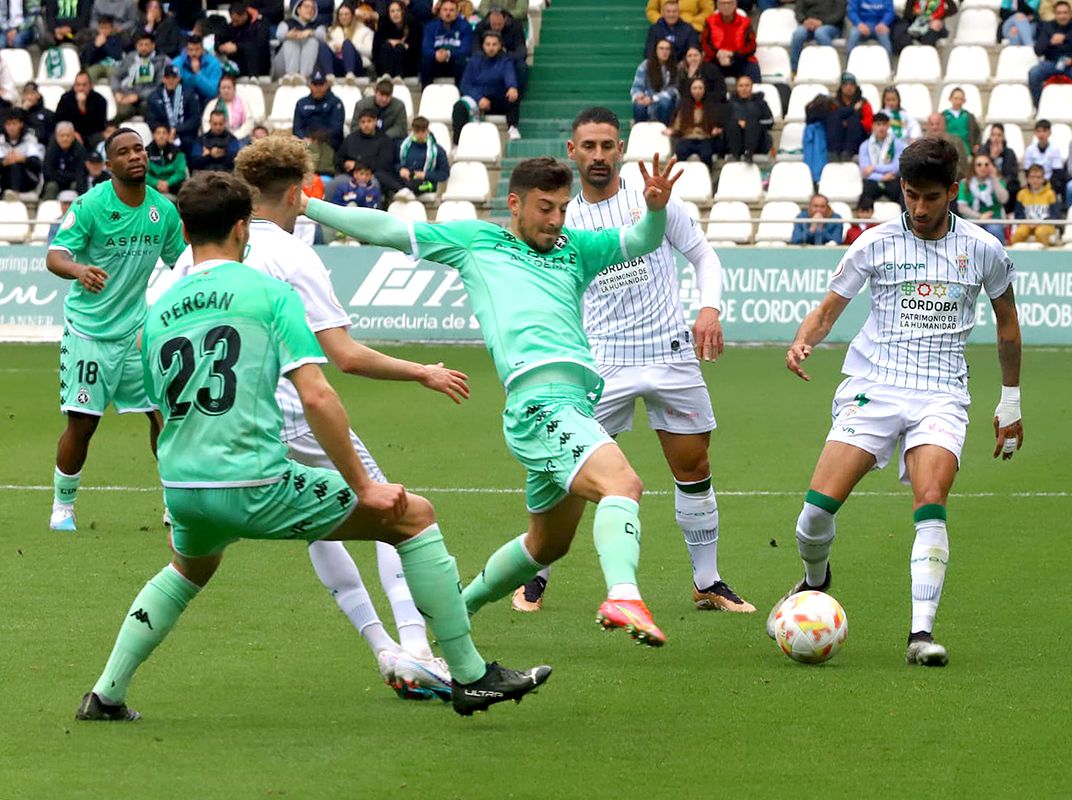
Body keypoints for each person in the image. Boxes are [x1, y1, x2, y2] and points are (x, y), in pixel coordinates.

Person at [74, 170, 551, 722]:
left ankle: (106, 695)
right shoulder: (270, 293)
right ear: (240, 228)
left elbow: (158, 396)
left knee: (186, 571)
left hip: (182, 484)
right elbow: (319, 397)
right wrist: (365, 487)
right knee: (412, 516)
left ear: (183, 229)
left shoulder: (158, 308)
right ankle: (470, 675)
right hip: (255, 481)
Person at [302, 154, 684, 648]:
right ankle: (624, 595)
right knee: (624, 484)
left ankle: (458, 610)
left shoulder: (576, 247)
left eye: (563, 209)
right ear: (514, 203)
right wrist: (310, 208)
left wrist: (655, 210)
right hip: (539, 402)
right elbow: (389, 230)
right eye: (545, 208)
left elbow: (641, 241)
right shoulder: (478, 242)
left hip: (573, 405)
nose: (555, 220)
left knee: (548, 543)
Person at [772, 135, 1024, 668]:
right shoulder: (874, 243)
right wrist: (803, 341)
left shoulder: (983, 248)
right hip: (875, 386)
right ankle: (817, 581)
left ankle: (920, 634)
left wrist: (1011, 400)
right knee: (813, 516)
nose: (920, 208)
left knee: (931, 498)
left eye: (931, 197)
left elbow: (1007, 325)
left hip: (941, 392)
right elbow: (828, 309)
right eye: (910, 195)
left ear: (953, 191)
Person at [512, 107, 753, 614]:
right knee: (570, 468)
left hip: (670, 354)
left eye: (607, 145)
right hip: (601, 363)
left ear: (620, 148)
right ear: (573, 152)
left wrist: (708, 309)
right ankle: (537, 575)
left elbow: (704, 256)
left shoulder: (659, 202)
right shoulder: (564, 220)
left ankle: (706, 581)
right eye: (589, 147)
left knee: (694, 466)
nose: (599, 156)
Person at [45, 128, 187, 533]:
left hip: (137, 334)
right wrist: (78, 269)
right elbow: (55, 256)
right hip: (89, 334)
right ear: (109, 165)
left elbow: (184, 263)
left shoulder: (163, 210)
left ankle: (174, 503)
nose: (135, 156)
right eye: (123, 152)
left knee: (162, 414)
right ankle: (63, 507)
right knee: (83, 424)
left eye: (139, 149)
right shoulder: (91, 206)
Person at [455, 30, 522, 141]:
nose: (491, 48)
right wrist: (479, 98)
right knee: (460, 106)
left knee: (512, 96)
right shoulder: (474, 61)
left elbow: (510, 76)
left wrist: (512, 87)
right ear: (483, 45)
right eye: (488, 44)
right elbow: (464, 85)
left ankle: (513, 127)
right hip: (478, 100)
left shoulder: (506, 61)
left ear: (500, 45)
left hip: (497, 101)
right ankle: (457, 142)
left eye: (494, 44)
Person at [1029, 1, 1072, 104]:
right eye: (1059, 13)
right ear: (1055, 14)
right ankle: (1038, 106)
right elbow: (1038, 50)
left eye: (1065, 13)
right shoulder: (1047, 27)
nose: (1062, 16)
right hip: (1052, 62)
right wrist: (1050, 42)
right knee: (1034, 73)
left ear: (1070, 14)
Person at [337, 107, 399, 196]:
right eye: (363, 122)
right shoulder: (351, 138)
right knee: (334, 183)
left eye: (369, 121)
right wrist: (344, 164)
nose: (366, 125)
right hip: (350, 175)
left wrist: (357, 165)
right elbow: (338, 158)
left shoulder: (385, 140)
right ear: (359, 123)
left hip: (373, 176)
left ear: (375, 121)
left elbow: (384, 164)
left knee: (374, 184)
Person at [146, 64, 202, 159]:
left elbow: (195, 119)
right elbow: (151, 119)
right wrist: (165, 132)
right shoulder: (154, 97)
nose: (171, 81)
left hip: (185, 135)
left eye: (174, 78)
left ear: (179, 78)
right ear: (163, 79)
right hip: (163, 135)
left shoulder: (189, 94)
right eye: (168, 77)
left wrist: (177, 129)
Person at [666, 77, 724, 167]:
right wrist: (672, 130)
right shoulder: (683, 106)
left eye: (700, 88)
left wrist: (716, 130)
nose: (697, 91)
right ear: (690, 90)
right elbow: (677, 125)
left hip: (704, 138)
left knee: (706, 154)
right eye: (695, 88)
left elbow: (717, 125)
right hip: (687, 137)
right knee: (680, 152)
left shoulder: (712, 106)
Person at [112, 32, 168, 123]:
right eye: (140, 45)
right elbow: (116, 75)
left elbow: (159, 86)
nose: (143, 48)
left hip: (148, 99)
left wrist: (138, 96)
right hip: (127, 95)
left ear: (153, 45)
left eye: (146, 45)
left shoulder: (161, 61)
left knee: (149, 109)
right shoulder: (130, 58)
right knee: (118, 112)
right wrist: (117, 91)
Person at [701, 0, 760, 82]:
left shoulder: (745, 22)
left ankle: (753, 93)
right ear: (717, 5)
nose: (726, 6)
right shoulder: (709, 22)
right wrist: (718, 54)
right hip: (716, 59)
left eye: (729, 3)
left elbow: (752, 46)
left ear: (735, 4)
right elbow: (704, 44)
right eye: (723, 3)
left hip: (740, 59)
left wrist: (733, 55)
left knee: (752, 68)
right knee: (707, 70)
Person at [474, 7, 528, 91]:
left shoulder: (516, 27)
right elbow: (475, 49)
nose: (496, 27)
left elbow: (522, 52)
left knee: (521, 66)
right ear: (489, 20)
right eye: (493, 24)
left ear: (505, 19)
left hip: (508, 58)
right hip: (486, 58)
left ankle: (518, 93)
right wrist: (488, 54)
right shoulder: (481, 27)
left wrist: (503, 56)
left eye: (499, 24)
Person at [957, 153, 1009, 241]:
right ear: (974, 167)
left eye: (986, 164)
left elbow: (1004, 199)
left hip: (994, 220)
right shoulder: (965, 183)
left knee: (994, 230)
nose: (983, 167)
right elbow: (962, 208)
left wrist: (994, 178)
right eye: (979, 165)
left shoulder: (998, 181)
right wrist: (979, 216)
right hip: (972, 220)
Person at [420, 0, 472, 86]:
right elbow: (425, 49)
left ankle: (461, 94)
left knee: (462, 62)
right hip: (436, 62)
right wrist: (435, 54)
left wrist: (448, 54)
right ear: (440, 12)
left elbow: (466, 50)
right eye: (445, 10)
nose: (448, 13)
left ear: (457, 12)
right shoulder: (430, 26)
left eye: (451, 10)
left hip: (454, 62)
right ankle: (426, 92)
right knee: (425, 61)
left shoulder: (465, 26)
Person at [395, 115, 449, 197]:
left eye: (423, 131)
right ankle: (404, 191)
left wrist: (425, 175)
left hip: (426, 183)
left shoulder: (438, 150)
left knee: (411, 185)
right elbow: (394, 163)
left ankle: (405, 192)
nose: (420, 134)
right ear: (412, 130)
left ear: (427, 130)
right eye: (417, 131)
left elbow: (444, 174)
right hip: (405, 179)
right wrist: (400, 169)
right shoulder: (402, 146)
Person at [294, 68, 346, 151]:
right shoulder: (301, 103)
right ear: (310, 85)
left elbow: (336, 129)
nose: (318, 88)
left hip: (329, 144)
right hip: (306, 143)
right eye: (315, 84)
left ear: (326, 85)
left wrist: (317, 140)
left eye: (321, 84)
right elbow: (297, 128)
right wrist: (304, 138)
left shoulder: (336, 103)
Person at [216, 2, 273, 78]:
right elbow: (219, 39)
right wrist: (221, 47)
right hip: (236, 62)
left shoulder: (259, 24)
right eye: (233, 20)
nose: (234, 23)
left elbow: (259, 44)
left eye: (237, 20)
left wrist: (237, 47)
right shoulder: (231, 26)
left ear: (244, 15)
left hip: (257, 64)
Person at [54, 72, 109, 149]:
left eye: (84, 85)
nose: (81, 88)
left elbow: (100, 125)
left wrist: (82, 107)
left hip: (92, 135)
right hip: (71, 133)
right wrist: (73, 133)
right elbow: (59, 120)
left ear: (90, 86)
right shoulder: (66, 99)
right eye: (78, 85)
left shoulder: (100, 100)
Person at [725, 74, 773, 162]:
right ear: (737, 88)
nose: (744, 89)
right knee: (733, 125)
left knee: (752, 123)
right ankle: (735, 155)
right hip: (734, 139)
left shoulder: (761, 103)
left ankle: (749, 153)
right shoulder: (730, 104)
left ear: (751, 87)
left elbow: (770, 122)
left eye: (747, 85)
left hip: (758, 142)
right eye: (741, 86)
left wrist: (749, 124)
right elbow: (723, 122)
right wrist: (738, 123)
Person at [826, 72, 872, 162]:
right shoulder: (833, 103)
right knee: (834, 119)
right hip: (837, 138)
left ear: (856, 87)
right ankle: (834, 153)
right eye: (845, 85)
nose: (849, 87)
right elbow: (830, 119)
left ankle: (847, 153)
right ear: (841, 87)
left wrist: (850, 123)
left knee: (853, 121)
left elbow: (869, 124)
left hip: (857, 139)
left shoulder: (863, 103)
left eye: (852, 85)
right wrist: (853, 109)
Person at [632, 38, 680, 126]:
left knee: (665, 103)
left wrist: (653, 99)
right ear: (656, 50)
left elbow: (674, 89)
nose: (664, 52)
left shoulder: (676, 67)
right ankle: (640, 133)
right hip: (647, 100)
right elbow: (637, 86)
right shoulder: (645, 65)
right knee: (639, 105)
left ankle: (665, 131)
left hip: (666, 103)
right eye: (661, 48)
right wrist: (639, 96)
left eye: (667, 49)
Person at [859, 111, 902, 204]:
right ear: (873, 126)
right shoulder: (865, 145)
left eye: (884, 124)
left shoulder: (896, 143)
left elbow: (896, 167)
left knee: (902, 194)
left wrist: (874, 167)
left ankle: (905, 218)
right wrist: (881, 177)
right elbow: (865, 171)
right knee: (865, 195)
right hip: (874, 180)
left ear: (888, 126)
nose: (881, 128)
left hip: (892, 179)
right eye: (878, 124)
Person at [276, 0, 327, 79]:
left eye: (313, 8)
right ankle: (291, 75)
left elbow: (323, 36)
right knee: (290, 41)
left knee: (312, 41)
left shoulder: (317, 25)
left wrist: (310, 32)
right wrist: (288, 35)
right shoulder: (287, 23)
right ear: (298, 9)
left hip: (310, 69)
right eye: (306, 7)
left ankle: (303, 76)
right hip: (283, 65)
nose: (310, 10)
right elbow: (279, 35)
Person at [0, 109, 44, 196]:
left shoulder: (30, 140)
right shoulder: (1, 141)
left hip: (27, 179)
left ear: (21, 124)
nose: (11, 127)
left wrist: (23, 159)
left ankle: (14, 194)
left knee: (16, 166)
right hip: (5, 179)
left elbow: (38, 164)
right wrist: (4, 162)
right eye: (8, 124)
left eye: (14, 124)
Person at [1012, 164, 1059, 246]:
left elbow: (1055, 215)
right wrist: (1027, 222)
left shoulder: (1050, 194)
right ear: (1028, 179)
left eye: (1038, 177)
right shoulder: (1021, 194)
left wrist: (1040, 222)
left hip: (1046, 225)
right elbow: (1018, 214)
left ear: (1043, 179)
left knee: (1040, 233)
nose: (1035, 180)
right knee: (1019, 233)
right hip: (1026, 224)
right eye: (1032, 177)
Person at [791, 0, 846, 68]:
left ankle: (831, 67)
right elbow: (798, 11)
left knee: (820, 33)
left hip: (831, 25)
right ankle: (794, 69)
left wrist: (822, 22)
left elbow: (840, 13)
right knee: (798, 34)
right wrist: (804, 20)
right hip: (809, 24)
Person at [978, 123, 1020, 211]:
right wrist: (992, 158)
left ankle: (1009, 213)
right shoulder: (982, 150)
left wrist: (1002, 182)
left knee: (1015, 187)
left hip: (1004, 184)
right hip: (986, 182)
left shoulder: (1010, 153)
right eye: (993, 135)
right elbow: (980, 170)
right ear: (989, 137)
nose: (996, 138)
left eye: (999, 135)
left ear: (1003, 137)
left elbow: (1013, 174)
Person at [374, 1, 421, 80]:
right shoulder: (383, 26)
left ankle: (399, 76)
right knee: (386, 46)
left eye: (398, 10)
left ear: (403, 11)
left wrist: (403, 45)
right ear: (388, 14)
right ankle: (386, 75)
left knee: (399, 47)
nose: (395, 14)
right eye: (392, 11)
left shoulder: (413, 25)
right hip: (385, 66)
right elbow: (375, 49)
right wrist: (389, 42)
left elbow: (416, 50)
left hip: (407, 67)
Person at [42, 122, 88, 200]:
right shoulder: (51, 149)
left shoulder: (80, 150)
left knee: (77, 185)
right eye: (62, 136)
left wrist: (61, 174)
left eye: (68, 135)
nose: (65, 139)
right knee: (51, 186)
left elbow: (80, 173)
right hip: (56, 181)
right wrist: (65, 176)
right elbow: (48, 172)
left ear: (73, 137)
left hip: (73, 182)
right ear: (56, 136)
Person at [203, 75, 255, 144]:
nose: (226, 90)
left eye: (229, 88)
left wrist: (234, 136)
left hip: (239, 138)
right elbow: (206, 122)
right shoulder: (212, 104)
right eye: (223, 88)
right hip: (216, 138)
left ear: (234, 89)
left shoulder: (243, 103)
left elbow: (249, 122)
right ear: (219, 90)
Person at [172, 36, 222, 106]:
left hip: (207, 102)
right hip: (183, 102)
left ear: (202, 49)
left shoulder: (214, 64)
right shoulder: (176, 63)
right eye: (191, 50)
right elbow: (171, 88)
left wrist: (198, 74)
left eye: (197, 49)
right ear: (186, 50)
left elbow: (213, 92)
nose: (194, 53)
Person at [329, 1, 372, 76]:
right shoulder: (332, 31)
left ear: (352, 16)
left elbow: (370, 51)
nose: (343, 17)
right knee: (321, 46)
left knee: (347, 43)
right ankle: (328, 75)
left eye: (346, 14)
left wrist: (351, 46)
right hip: (338, 63)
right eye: (341, 15)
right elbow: (328, 46)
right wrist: (335, 47)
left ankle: (350, 74)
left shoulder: (364, 31)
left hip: (357, 64)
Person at [1023, 119, 1066, 195]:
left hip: (1050, 182)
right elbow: (1027, 170)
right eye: (1039, 131)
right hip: (1034, 181)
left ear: (1049, 133)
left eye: (1044, 131)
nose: (1041, 134)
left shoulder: (1055, 149)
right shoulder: (1030, 150)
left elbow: (1057, 171)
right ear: (1035, 133)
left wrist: (1045, 183)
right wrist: (1035, 181)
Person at [893, 0, 958, 50]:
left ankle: (926, 55)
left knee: (934, 28)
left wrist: (937, 17)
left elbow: (953, 9)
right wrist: (915, 12)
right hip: (916, 26)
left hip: (935, 26)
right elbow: (907, 16)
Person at [82, 15, 128, 84]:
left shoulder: (117, 39)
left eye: (106, 28)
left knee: (114, 74)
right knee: (89, 73)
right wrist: (96, 47)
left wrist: (105, 44)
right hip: (98, 65)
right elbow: (89, 60)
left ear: (112, 28)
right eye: (101, 28)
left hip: (113, 65)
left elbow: (116, 55)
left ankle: (116, 93)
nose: (104, 31)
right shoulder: (94, 40)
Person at [146, 122, 188, 197]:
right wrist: (156, 183)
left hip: (174, 188)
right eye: (158, 133)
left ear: (168, 135)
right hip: (152, 189)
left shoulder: (178, 152)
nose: (161, 136)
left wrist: (167, 183)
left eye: (164, 133)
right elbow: (144, 174)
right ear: (153, 135)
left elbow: (181, 173)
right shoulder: (146, 152)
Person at [924, 112, 969, 179]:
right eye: (932, 124)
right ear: (927, 126)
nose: (935, 127)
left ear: (944, 125)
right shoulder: (921, 143)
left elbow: (962, 166)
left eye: (938, 124)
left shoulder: (956, 141)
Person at [941, 87, 980, 160]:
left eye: (961, 99)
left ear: (964, 100)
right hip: (947, 150)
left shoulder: (968, 116)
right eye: (956, 98)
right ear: (950, 99)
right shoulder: (944, 115)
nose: (958, 102)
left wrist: (976, 144)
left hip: (965, 150)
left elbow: (977, 132)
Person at [647, 0, 713, 33]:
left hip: (691, 30)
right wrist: (663, 22)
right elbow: (651, 10)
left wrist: (692, 23)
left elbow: (708, 10)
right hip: (665, 30)